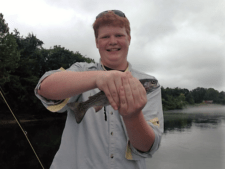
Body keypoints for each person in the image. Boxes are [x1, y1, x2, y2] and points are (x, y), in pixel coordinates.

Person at [35, 10, 164, 169]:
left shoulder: (152, 86)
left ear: (129, 39)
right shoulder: (81, 70)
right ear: (97, 42)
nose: (112, 41)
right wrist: (98, 78)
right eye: (105, 37)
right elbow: (44, 88)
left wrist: (133, 116)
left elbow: (147, 146)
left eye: (119, 35)